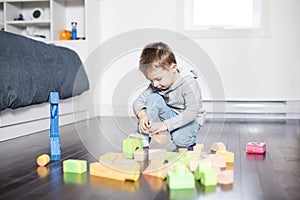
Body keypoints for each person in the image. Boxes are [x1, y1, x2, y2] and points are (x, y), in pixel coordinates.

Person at [133, 42, 205, 150]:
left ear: (173, 68)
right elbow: (138, 101)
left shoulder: (188, 83)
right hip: (171, 115)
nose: (155, 85)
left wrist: (165, 125)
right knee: (153, 98)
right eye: (151, 80)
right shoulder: (156, 85)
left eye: (158, 79)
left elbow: (192, 112)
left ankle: (189, 143)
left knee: (180, 139)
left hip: (190, 119)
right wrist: (142, 115)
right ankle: (142, 138)